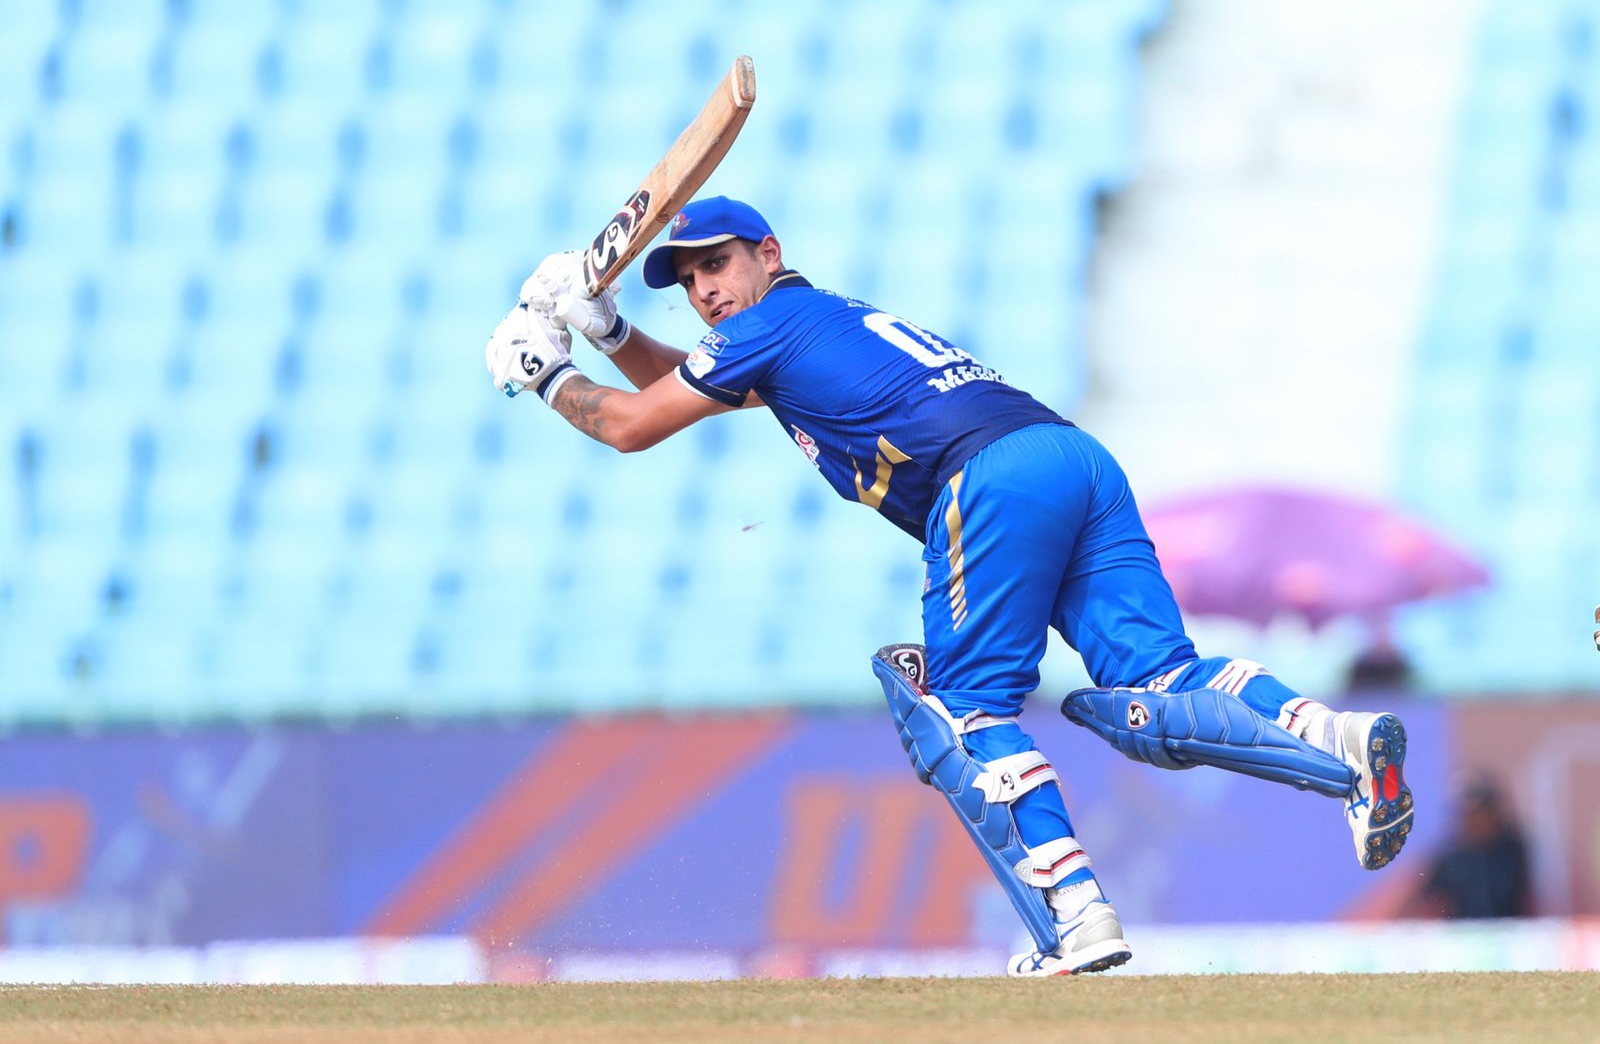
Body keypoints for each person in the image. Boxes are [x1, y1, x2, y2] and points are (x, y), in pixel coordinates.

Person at [483, 196, 1417, 977]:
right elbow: (691, 386)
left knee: (958, 712)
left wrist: (549, 371)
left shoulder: (766, 325)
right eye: (687, 282)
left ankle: (1077, 919)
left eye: (716, 265)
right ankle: (1343, 748)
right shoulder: (802, 325)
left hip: (989, 480)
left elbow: (632, 427)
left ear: (769, 254)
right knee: (1160, 684)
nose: (703, 291)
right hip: (1072, 460)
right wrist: (604, 327)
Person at [1407, 775, 1531, 919]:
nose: (1476, 821)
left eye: (1481, 813)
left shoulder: (1514, 850)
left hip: (1509, 933)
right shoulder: (1451, 857)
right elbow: (1425, 899)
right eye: (1469, 814)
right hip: (1465, 936)